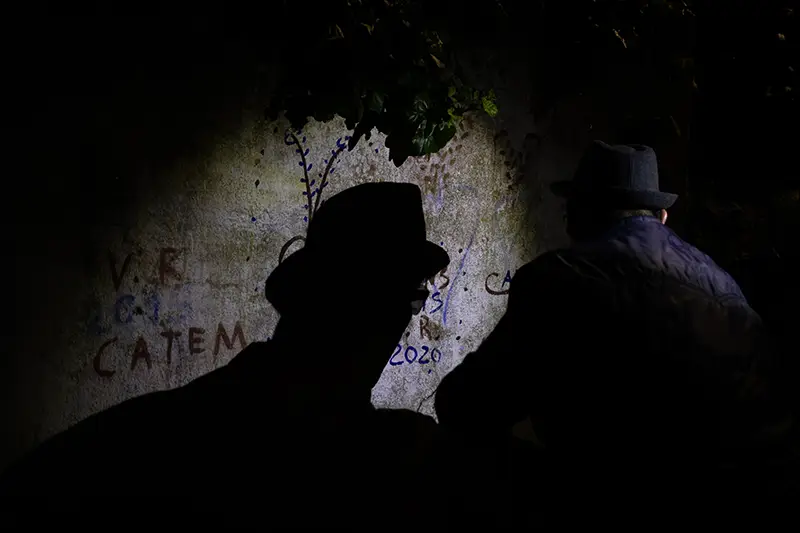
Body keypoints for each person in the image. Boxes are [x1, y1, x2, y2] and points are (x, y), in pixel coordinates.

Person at [1, 183, 451, 526]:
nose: (402, 321)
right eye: (406, 300)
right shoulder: (387, 472)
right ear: (359, 308)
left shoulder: (136, 441)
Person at [435, 141, 794, 522]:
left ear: (575, 216)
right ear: (663, 217)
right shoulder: (725, 288)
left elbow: (467, 406)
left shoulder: (559, 279)